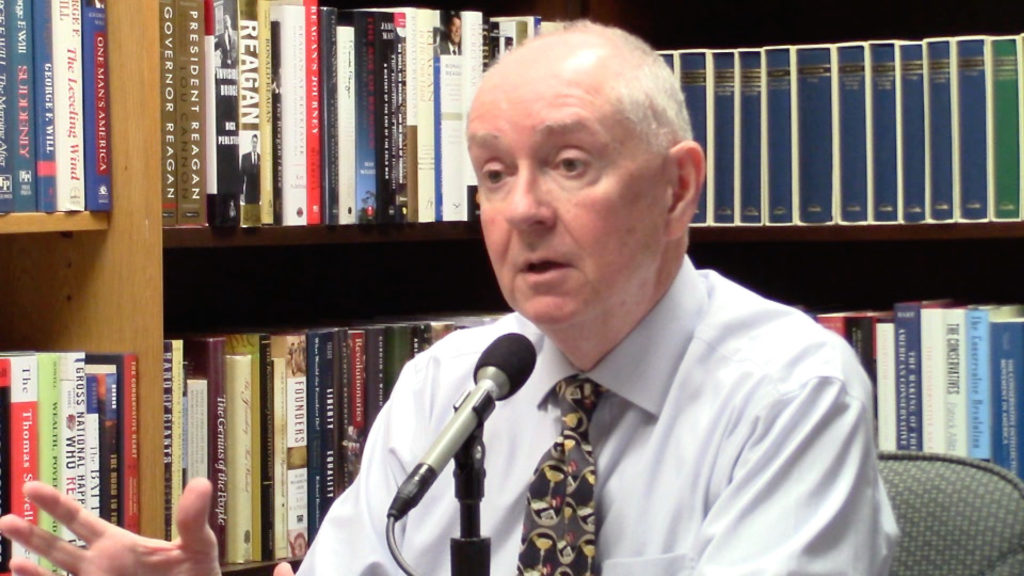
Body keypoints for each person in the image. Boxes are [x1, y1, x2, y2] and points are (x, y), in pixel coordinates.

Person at [0, 20, 898, 576]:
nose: (524, 210)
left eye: (570, 164)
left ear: (676, 188)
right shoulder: (451, 386)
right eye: (495, 175)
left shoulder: (790, 390)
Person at [240, 134, 261, 205]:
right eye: (253, 142)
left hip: (257, 192)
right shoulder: (245, 157)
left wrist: (262, 193)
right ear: (251, 142)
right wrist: (241, 193)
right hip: (248, 191)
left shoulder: (260, 157)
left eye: (256, 142)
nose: (254, 144)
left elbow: (262, 177)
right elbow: (241, 176)